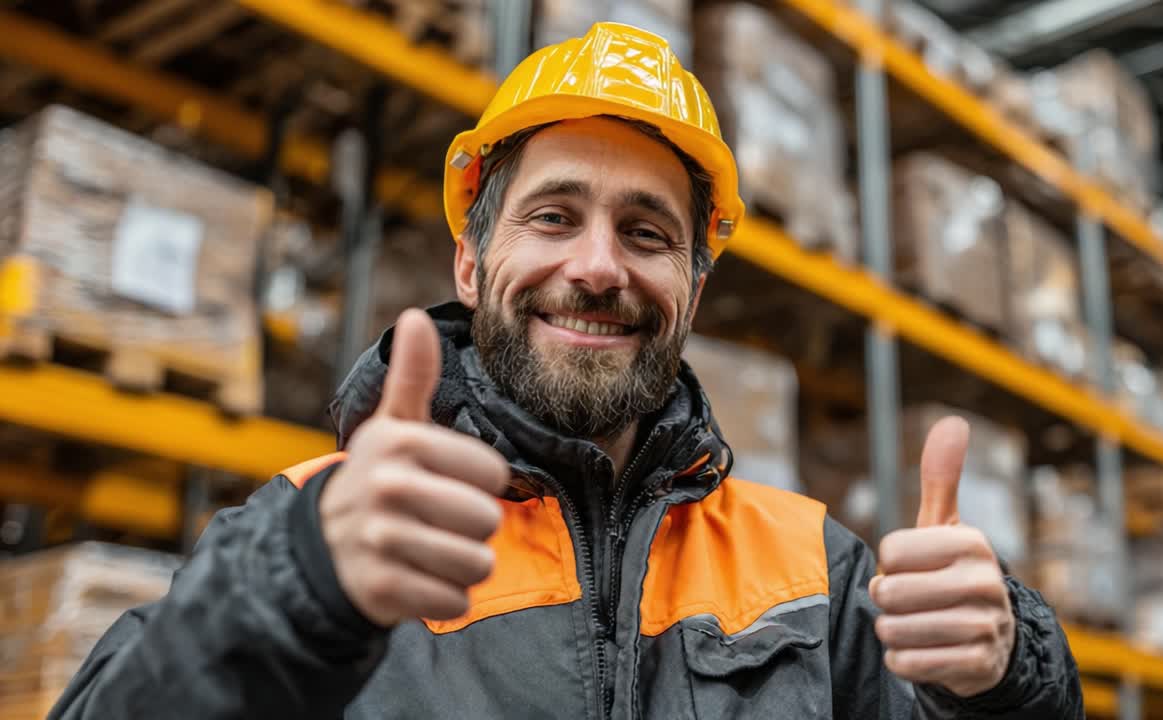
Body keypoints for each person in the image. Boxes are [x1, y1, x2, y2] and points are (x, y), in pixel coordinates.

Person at [51, 22, 1083, 719]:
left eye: (645, 232)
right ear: (470, 259)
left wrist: (1007, 677)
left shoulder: (817, 572)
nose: (596, 268)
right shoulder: (313, 534)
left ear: (692, 283)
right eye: (553, 217)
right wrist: (292, 597)